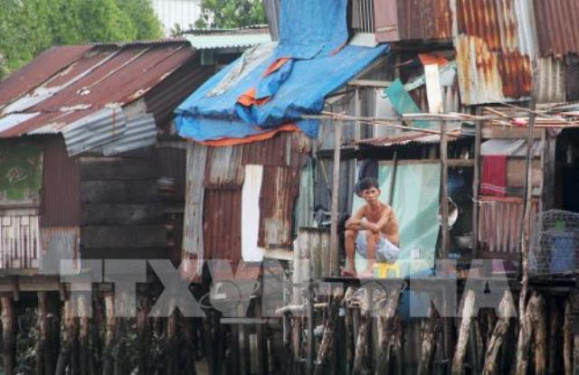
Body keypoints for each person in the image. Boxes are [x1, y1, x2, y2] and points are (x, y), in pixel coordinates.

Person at [342, 177, 400, 278]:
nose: (370, 195)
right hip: (373, 250)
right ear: (361, 195)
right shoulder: (364, 209)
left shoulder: (387, 209)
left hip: (390, 252)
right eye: (367, 193)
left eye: (373, 192)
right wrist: (360, 226)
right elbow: (348, 224)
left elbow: (376, 228)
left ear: (379, 192)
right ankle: (352, 268)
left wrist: (360, 222)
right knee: (349, 233)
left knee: (371, 232)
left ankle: (370, 270)